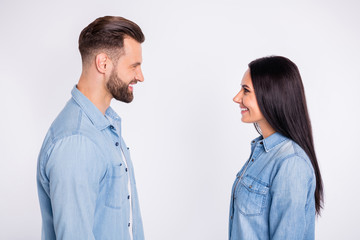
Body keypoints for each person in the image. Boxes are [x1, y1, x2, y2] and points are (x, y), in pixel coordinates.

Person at [37, 16, 145, 240]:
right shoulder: (77, 142)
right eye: (134, 66)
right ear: (103, 63)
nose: (140, 76)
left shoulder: (105, 128)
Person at [229, 56, 324, 240]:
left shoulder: (291, 163)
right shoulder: (262, 153)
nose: (236, 98)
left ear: (271, 95)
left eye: (245, 90)